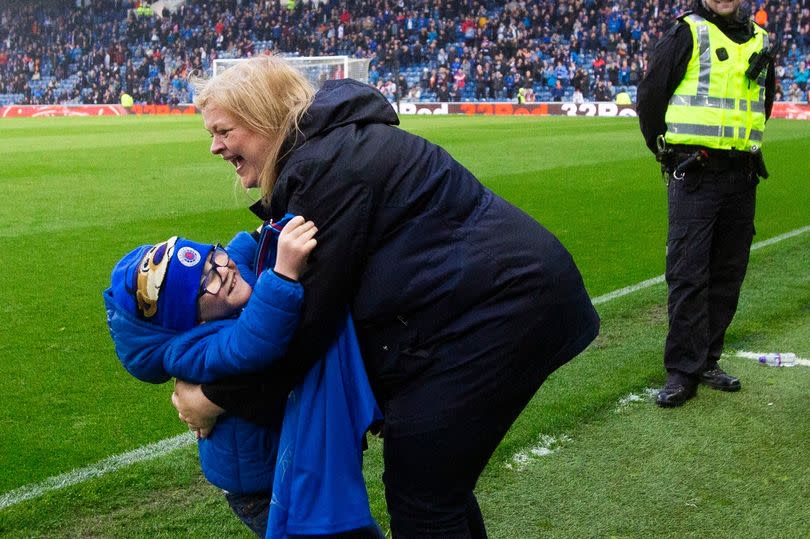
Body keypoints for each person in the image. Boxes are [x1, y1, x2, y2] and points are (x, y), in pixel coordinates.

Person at [173, 55, 600, 537]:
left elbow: (310, 319)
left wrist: (215, 397)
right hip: (492, 307)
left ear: (262, 117)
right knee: (432, 483)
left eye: (223, 130)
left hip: (507, 308)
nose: (214, 146)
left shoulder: (330, 165)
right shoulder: (328, 154)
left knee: (423, 490)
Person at [103, 216, 383, 538]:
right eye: (205, 281)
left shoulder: (226, 283)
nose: (224, 272)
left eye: (213, 256)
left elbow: (242, 247)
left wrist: (270, 227)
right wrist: (283, 274)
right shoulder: (189, 349)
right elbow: (251, 342)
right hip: (262, 488)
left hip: (285, 466)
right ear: (190, 321)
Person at [636, 0, 775, 407]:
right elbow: (650, 97)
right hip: (695, 175)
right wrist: (664, 152)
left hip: (742, 175)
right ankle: (682, 371)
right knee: (689, 274)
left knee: (727, 274)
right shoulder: (686, 32)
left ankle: (708, 359)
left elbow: (763, 104)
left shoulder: (762, 40)